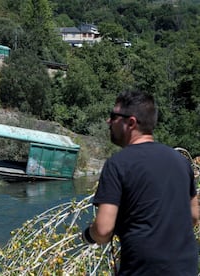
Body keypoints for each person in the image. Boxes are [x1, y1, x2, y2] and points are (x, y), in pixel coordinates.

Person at [82, 90, 199, 275]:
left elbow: (103, 230)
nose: (108, 121)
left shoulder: (118, 164)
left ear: (131, 123)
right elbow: (193, 215)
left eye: (114, 116)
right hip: (186, 268)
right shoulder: (181, 162)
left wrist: (88, 235)